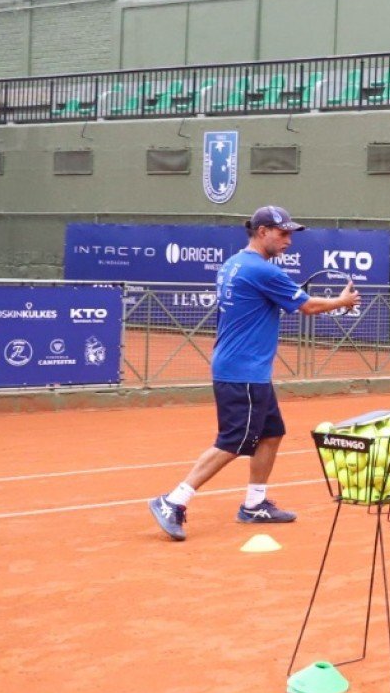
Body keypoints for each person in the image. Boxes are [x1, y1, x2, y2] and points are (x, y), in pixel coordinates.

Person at [147, 206, 360, 542]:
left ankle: (254, 504)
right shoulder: (263, 271)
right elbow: (309, 307)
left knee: (272, 433)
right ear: (262, 232)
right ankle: (173, 500)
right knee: (232, 441)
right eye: (283, 233)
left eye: (291, 234)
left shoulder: (233, 264)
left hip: (245, 369)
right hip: (242, 371)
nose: (289, 240)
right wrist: (342, 300)